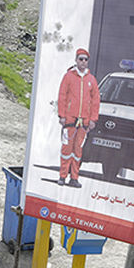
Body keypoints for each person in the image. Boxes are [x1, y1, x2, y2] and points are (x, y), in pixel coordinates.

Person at [56, 48, 100, 188]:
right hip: (70, 120)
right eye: (80, 59)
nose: (83, 62)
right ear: (76, 60)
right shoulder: (68, 76)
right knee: (66, 149)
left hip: (84, 122)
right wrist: (62, 115)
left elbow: (95, 101)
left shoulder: (91, 80)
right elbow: (62, 96)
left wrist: (93, 119)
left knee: (78, 151)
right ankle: (63, 176)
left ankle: (74, 178)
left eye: (85, 60)